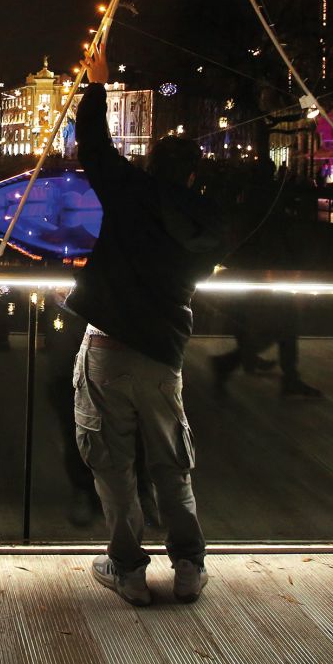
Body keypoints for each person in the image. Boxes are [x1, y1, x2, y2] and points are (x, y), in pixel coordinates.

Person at [67, 45, 224, 608]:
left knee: (112, 464)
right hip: (163, 353)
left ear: (153, 166)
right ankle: (188, 566)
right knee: (170, 463)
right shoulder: (208, 221)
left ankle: (128, 570)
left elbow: (95, 148)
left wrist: (97, 85)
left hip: (108, 345)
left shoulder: (133, 193)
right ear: (193, 175)